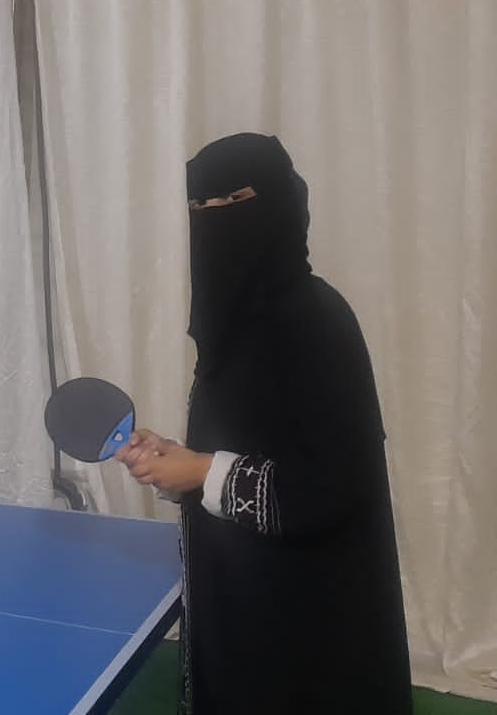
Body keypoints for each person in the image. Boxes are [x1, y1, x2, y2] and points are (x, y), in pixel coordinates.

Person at [114, 133, 412, 714]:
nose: (213, 217)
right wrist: (177, 458)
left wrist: (202, 471)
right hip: (240, 585)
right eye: (199, 204)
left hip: (304, 605)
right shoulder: (229, 326)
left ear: (279, 202)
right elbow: (241, 441)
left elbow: (333, 484)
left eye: (234, 200)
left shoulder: (314, 322)